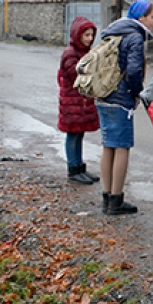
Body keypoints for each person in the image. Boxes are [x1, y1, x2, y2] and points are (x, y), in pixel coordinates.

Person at [96, 0, 153, 216]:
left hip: (102, 93)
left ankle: (106, 196)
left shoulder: (113, 31)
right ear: (141, 18)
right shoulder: (134, 36)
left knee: (108, 146)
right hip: (120, 99)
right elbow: (133, 70)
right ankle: (116, 199)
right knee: (121, 147)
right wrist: (136, 92)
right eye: (152, 17)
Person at [58, 16, 101, 185]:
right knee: (73, 135)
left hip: (80, 102)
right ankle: (73, 169)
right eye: (86, 35)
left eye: (91, 35)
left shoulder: (83, 52)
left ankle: (79, 167)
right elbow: (78, 76)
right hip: (73, 103)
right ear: (78, 35)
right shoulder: (71, 54)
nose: (90, 39)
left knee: (79, 134)